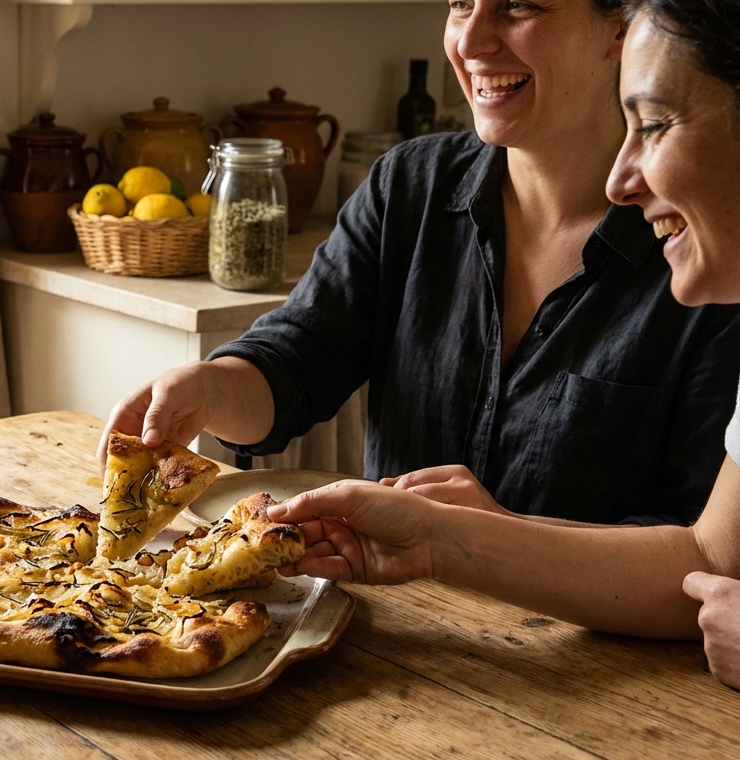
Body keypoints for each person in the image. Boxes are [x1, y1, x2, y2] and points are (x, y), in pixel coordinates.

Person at [102, 0, 740, 528]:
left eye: (518, 6)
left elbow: (700, 543)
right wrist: (208, 390)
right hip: (399, 635)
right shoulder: (411, 182)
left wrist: (487, 540)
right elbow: (300, 358)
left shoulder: (710, 244)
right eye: (461, 3)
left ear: (620, 28)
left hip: (606, 670)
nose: (471, 39)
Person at [270, 0, 740, 689]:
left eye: (656, 125)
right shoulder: (411, 182)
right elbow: (709, 559)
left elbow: (705, 571)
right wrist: (438, 540)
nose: (622, 180)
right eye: (460, 3)